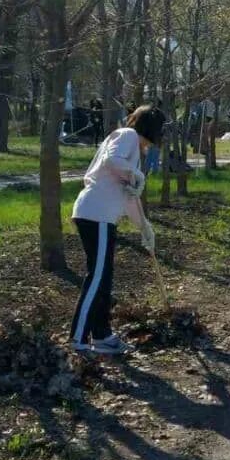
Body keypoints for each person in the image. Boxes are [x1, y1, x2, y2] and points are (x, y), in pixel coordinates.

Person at [70, 104, 161, 355]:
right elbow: (112, 161)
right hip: (95, 213)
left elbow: (129, 199)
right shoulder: (127, 136)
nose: (151, 146)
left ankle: (102, 335)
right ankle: (78, 337)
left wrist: (145, 228)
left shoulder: (130, 151)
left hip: (102, 217)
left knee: (105, 278)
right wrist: (136, 174)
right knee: (97, 277)